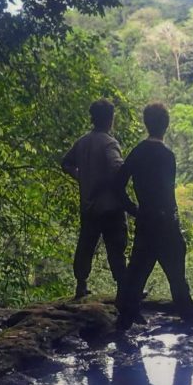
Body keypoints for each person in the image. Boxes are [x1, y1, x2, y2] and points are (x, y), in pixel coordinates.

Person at [114, 103, 193, 330]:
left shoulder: (138, 152)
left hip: (146, 219)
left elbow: (118, 185)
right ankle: (188, 318)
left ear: (146, 123)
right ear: (166, 126)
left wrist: (134, 210)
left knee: (137, 272)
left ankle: (124, 321)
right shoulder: (167, 156)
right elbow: (167, 192)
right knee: (176, 273)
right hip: (166, 221)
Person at [61, 99, 130, 299]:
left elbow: (65, 163)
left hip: (89, 205)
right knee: (116, 247)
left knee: (86, 245)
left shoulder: (82, 142)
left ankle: (81, 285)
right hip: (111, 206)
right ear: (110, 118)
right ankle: (123, 288)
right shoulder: (109, 143)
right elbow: (118, 168)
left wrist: (82, 177)